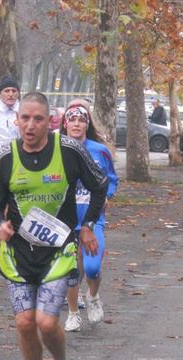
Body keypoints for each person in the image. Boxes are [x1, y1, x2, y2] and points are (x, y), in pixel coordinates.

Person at [0, 91, 108, 360]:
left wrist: (88, 225)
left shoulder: (69, 150)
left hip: (59, 251)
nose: (30, 125)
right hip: (17, 253)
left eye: (37, 119)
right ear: (17, 120)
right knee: (25, 323)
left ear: (49, 122)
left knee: (45, 320)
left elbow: (100, 185)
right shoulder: (5, 156)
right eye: (24, 118)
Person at [60, 100, 119, 332]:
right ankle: (73, 313)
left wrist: (108, 196)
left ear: (87, 124)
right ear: (65, 123)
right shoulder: (56, 148)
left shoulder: (99, 150)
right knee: (71, 270)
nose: (76, 124)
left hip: (93, 219)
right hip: (65, 220)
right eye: (72, 119)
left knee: (92, 268)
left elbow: (111, 180)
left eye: (81, 120)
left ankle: (93, 296)